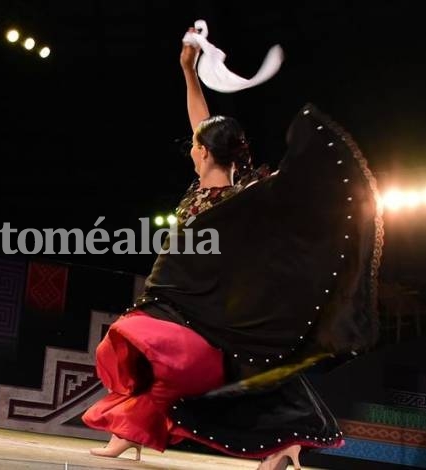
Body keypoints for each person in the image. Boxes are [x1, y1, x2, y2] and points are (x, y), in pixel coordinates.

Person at [82, 27, 382, 469]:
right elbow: (200, 117)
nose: (192, 147)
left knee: (155, 350)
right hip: (183, 304)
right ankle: (130, 435)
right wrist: (188, 70)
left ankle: (283, 443)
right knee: (159, 364)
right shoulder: (215, 191)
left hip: (209, 314)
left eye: (196, 143)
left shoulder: (237, 203)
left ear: (202, 151)